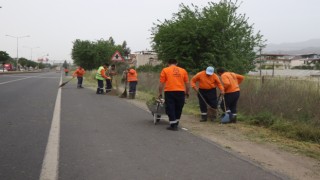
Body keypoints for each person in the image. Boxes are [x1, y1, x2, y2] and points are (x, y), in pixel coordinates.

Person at [158, 59, 190, 131]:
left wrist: (160, 93)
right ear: (176, 63)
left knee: (170, 107)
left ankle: (173, 125)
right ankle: (176, 123)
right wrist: (187, 92)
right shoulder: (183, 70)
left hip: (169, 91)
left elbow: (161, 83)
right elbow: (187, 83)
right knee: (179, 107)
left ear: (168, 63)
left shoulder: (165, 70)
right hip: (181, 91)